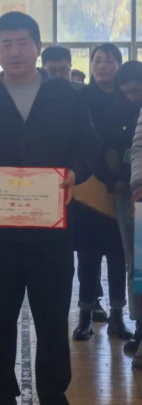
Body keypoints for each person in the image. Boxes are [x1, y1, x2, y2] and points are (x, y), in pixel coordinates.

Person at [0, 11, 98, 405]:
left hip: (52, 233)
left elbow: (89, 148)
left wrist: (75, 172)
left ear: (37, 47)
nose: (14, 51)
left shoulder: (66, 97)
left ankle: (53, 393)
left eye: (21, 43)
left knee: (52, 319)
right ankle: (1, 392)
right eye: (6, 44)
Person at [71, 43, 132, 342]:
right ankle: (85, 315)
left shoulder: (128, 99)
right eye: (97, 60)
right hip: (88, 186)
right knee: (89, 254)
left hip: (122, 188)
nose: (102, 66)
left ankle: (118, 316)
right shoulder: (81, 99)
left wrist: (122, 178)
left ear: (119, 65)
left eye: (108, 61)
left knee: (120, 253)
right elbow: (81, 142)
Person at [107, 61, 142, 367]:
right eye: (127, 92)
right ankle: (140, 326)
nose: (132, 97)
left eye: (136, 91)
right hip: (130, 195)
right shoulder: (116, 111)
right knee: (136, 265)